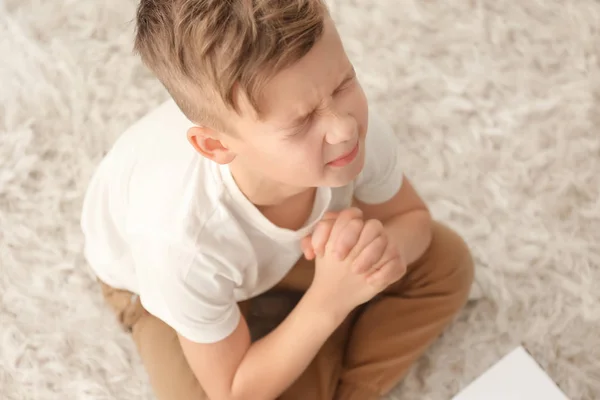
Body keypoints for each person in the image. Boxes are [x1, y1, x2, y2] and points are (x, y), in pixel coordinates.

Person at [80, 1, 475, 399]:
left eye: (344, 83)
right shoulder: (179, 242)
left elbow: (410, 219)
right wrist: (327, 303)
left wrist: (372, 256)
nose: (343, 128)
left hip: (284, 259)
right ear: (216, 145)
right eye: (302, 122)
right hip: (157, 291)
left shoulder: (351, 136)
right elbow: (234, 390)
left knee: (447, 263)